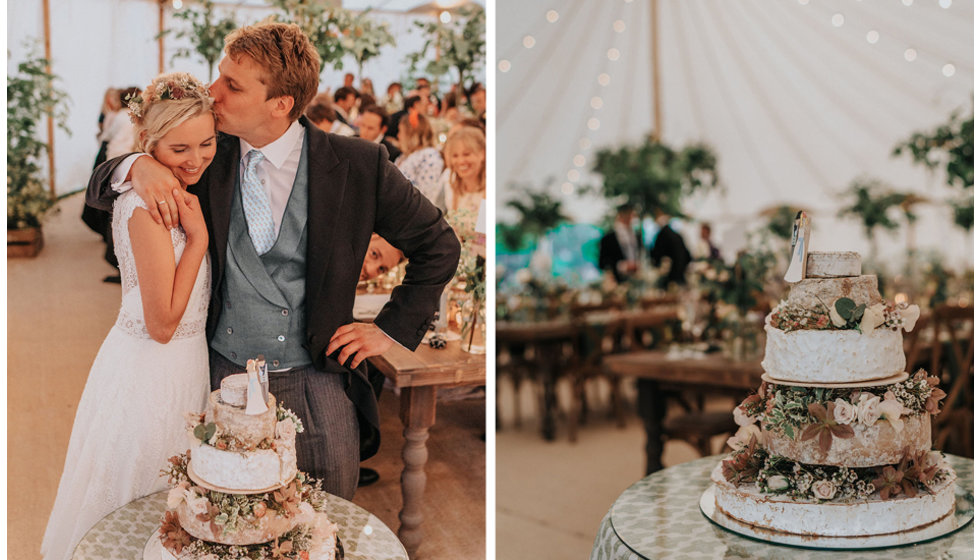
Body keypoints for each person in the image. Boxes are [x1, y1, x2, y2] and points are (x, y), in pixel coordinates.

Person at [87, 22, 460, 501]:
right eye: (218, 76)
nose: (212, 91)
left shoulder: (359, 165)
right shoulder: (205, 155)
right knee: (228, 522)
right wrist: (134, 164)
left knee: (326, 520)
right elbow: (101, 191)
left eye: (232, 85)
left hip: (318, 378)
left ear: (280, 104)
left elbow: (439, 244)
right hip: (219, 377)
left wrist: (388, 328)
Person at [43, 72, 214, 560]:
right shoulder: (147, 205)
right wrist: (198, 240)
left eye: (207, 143)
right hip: (151, 370)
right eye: (180, 148)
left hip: (183, 363)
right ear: (147, 144)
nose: (197, 158)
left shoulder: (177, 186)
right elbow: (162, 325)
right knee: (140, 501)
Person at [440, 125, 486, 240]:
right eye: (455, 156)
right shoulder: (455, 189)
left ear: (482, 154)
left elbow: (483, 238)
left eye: (467, 154)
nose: (461, 161)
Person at [395, 111, 444, 205]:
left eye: (400, 131)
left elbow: (428, 193)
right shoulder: (404, 156)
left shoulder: (429, 156)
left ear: (411, 134)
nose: (398, 136)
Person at [598, 204, 642, 283]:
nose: (632, 219)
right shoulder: (608, 238)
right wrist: (622, 266)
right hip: (617, 281)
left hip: (636, 279)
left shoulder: (637, 235)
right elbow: (603, 263)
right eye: (630, 215)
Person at [650, 208, 692, 288]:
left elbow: (656, 255)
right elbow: (687, 256)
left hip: (670, 276)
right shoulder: (677, 235)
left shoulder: (662, 235)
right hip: (680, 273)